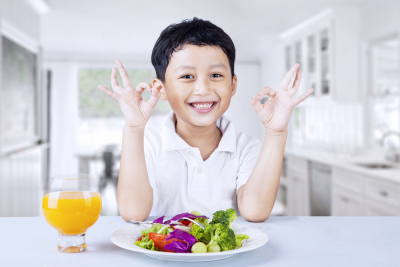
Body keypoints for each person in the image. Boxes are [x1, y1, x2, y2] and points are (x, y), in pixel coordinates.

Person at [98, 18, 313, 222]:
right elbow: (133, 213)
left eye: (216, 75)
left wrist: (276, 133)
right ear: (160, 89)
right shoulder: (149, 144)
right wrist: (134, 128)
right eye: (187, 76)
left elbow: (255, 212)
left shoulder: (247, 148)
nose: (203, 89)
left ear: (233, 85)